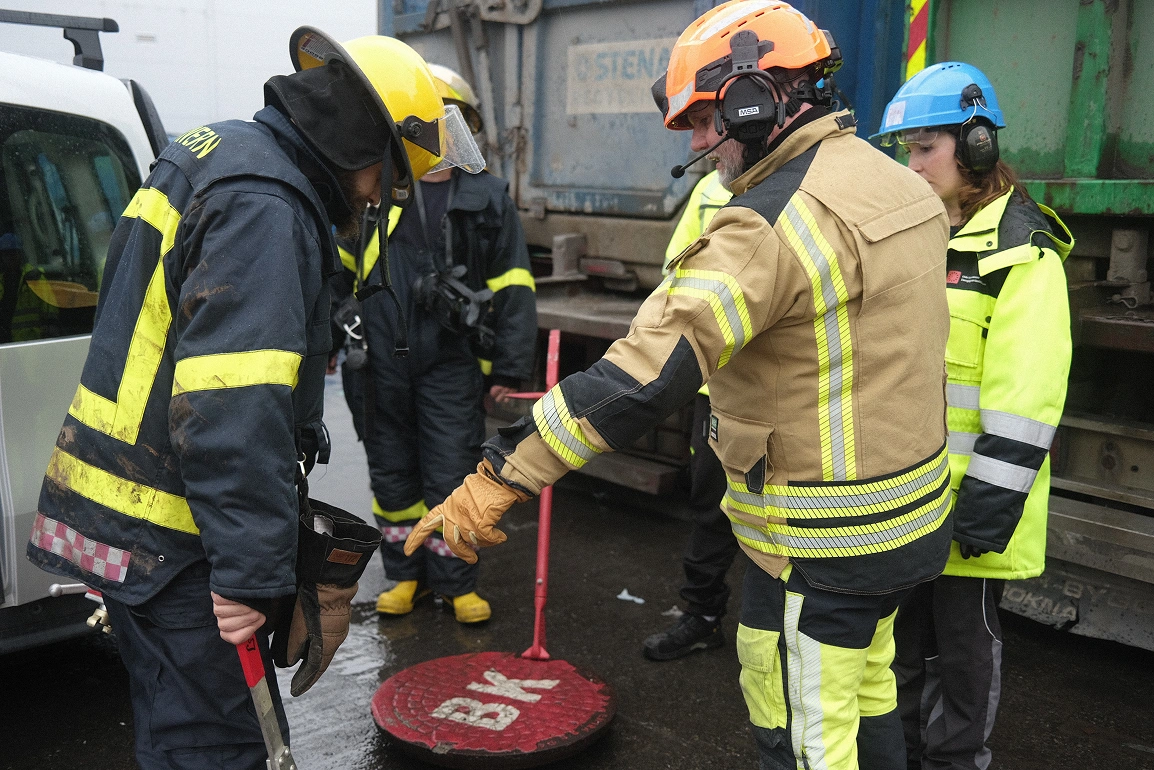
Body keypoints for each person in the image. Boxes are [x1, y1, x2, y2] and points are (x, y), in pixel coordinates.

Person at [407, 2, 956, 767]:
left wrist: (502, 476)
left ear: (759, 99)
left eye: (704, 119)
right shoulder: (900, 184)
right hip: (906, 524)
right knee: (869, 704)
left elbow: (641, 379)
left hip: (818, 547)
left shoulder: (767, 223)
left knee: (804, 735)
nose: (697, 144)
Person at [26, 28, 481, 769]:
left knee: (176, 735)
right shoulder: (266, 207)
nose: (375, 197)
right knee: (220, 750)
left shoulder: (217, 151)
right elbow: (232, 412)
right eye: (386, 175)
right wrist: (246, 576)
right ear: (362, 138)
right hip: (178, 545)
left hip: (136, 523)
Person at [874, 62, 1072, 770]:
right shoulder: (917, 238)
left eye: (926, 147)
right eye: (906, 149)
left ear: (978, 146)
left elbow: (1027, 398)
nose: (913, 163)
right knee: (894, 662)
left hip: (967, 516)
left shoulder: (1022, 253)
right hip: (904, 505)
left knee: (960, 664)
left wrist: (986, 508)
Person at [339, 63, 536, 624]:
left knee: (451, 472)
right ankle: (406, 577)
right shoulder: (372, 193)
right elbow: (337, 270)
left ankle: (456, 583)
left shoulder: (486, 196)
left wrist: (509, 367)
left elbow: (515, 283)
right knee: (392, 472)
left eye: (446, 121)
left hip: (452, 360)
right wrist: (336, 321)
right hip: (375, 362)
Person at [642, 169, 738, 661]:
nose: (706, 144)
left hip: (783, 389)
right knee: (710, 501)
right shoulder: (708, 189)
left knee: (793, 509)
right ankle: (701, 616)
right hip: (716, 382)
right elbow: (673, 272)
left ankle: (796, 629)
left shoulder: (806, 184)